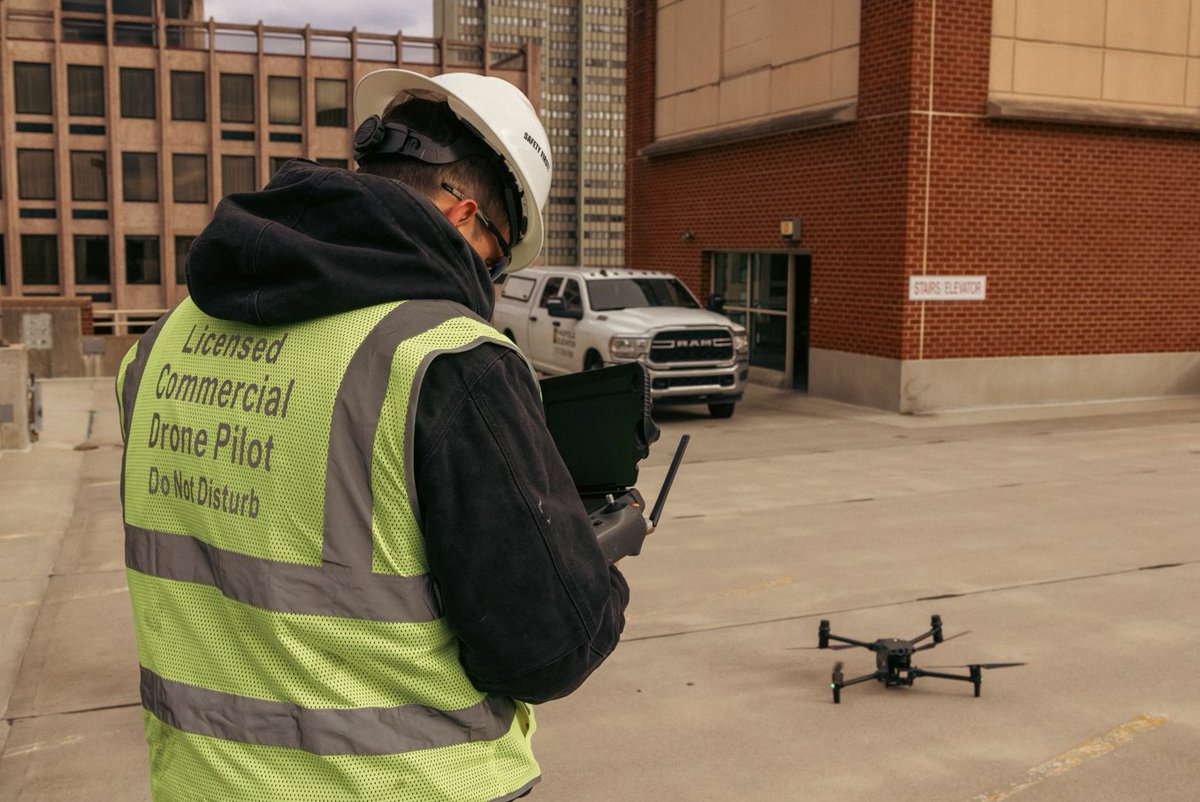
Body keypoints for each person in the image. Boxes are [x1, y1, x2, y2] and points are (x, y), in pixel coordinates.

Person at [116, 69, 629, 801]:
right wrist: (593, 563)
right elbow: (546, 650)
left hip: (204, 782)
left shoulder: (157, 348)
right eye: (493, 256)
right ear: (460, 216)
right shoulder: (446, 359)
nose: (485, 279)